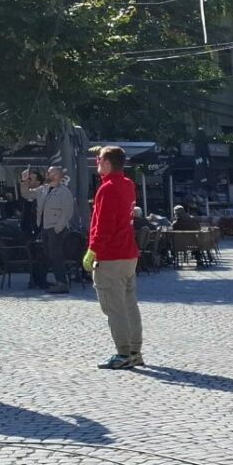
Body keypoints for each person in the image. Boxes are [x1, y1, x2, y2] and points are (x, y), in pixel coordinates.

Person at [86, 145, 143, 368]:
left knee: (113, 306)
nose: (96, 163)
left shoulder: (107, 189)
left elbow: (103, 226)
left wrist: (93, 250)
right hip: (129, 252)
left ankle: (123, 353)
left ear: (108, 163)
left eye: (99, 159)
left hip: (111, 255)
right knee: (129, 304)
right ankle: (135, 350)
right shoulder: (128, 184)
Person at [33, 164, 74, 295]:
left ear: (57, 175)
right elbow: (27, 193)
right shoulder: (45, 189)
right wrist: (23, 182)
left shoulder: (64, 192)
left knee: (56, 256)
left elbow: (68, 212)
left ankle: (62, 283)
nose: (47, 175)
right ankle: (47, 281)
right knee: (48, 254)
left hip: (55, 228)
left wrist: (58, 228)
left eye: (50, 173)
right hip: (45, 227)